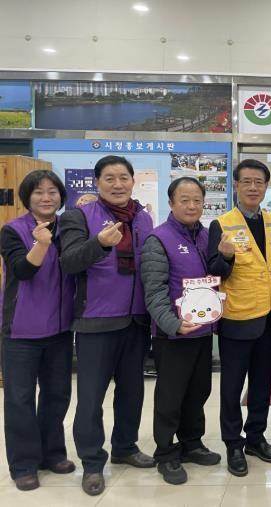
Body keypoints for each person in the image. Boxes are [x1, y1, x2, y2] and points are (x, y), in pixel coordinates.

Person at [60, 155, 155, 496]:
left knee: (132, 392)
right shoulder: (78, 216)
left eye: (123, 177)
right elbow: (69, 262)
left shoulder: (143, 218)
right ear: (97, 182)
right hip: (95, 320)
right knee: (91, 398)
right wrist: (99, 244)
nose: (118, 184)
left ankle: (125, 446)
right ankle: (91, 462)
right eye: (110, 178)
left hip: (136, 319)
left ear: (133, 181)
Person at [141, 177, 221, 485]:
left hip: (202, 331)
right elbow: (154, 291)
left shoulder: (206, 236)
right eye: (184, 200)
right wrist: (172, 324)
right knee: (170, 396)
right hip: (173, 335)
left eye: (197, 200)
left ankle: (192, 443)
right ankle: (165, 452)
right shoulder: (158, 239)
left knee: (199, 391)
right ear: (171, 203)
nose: (191, 206)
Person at [207, 159, 271, 477]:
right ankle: (232, 444)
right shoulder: (221, 224)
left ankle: (256, 438)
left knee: (262, 383)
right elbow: (214, 272)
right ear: (236, 185)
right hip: (237, 317)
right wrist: (225, 256)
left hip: (268, 316)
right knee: (232, 385)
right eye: (247, 182)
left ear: (266, 186)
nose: (253, 187)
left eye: (259, 182)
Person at [0, 171, 75, 491]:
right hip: (21, 331)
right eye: (39, 192)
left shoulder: (68, 229)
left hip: (60, 329)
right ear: (27, 197)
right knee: (19, 399)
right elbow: (22, 271)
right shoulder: (13, 230)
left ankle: (52, 454)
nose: (46, 198)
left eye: (52, 191)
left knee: (57, 395)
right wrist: (41, 244)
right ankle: (23, 464)